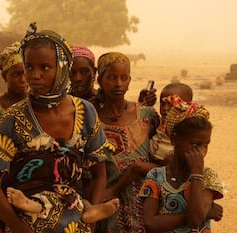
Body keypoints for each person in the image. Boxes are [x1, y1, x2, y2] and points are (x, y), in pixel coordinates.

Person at [0, 23, 115, 233]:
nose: (34, 75)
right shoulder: (15, 118)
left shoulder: (85, 112)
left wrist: (91, 221)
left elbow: (99, 173)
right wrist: (17, 227)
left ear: (62, 68)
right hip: (26, 220)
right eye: (29, 67)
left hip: (74, 219)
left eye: (44, 67)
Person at [89, 52, 160, 232]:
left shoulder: (147, 115)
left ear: (129, 81)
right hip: (109, 208)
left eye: (123, 77)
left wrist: (139, 169)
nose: (118, 84)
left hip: (148, 205)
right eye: (112, 78)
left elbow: (164, 160)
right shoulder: (91, 120)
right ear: (100, 80)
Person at [139, 97, 224, 232]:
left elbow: (195, 219)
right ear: (174, 139)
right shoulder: (155, 176)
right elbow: (150, 223)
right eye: (195, 144)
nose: (201, 152)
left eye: (205, 145)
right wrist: (203, 213)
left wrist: (196, 174)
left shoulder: (207, 176)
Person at [69, 44, 157, 106]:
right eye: (72, 73)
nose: (78, 78)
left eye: (84, 72)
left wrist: (142, 104)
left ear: (95, 72)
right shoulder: (61, 104)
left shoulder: (104, 102)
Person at [150, 83, 193, 165]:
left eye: (171, 104)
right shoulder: (159, 121)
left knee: (138, 168)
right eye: (162, 104)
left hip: (168, 166)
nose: (165, 108)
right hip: (153, 159)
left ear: (185, 106)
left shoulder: (185, 126)